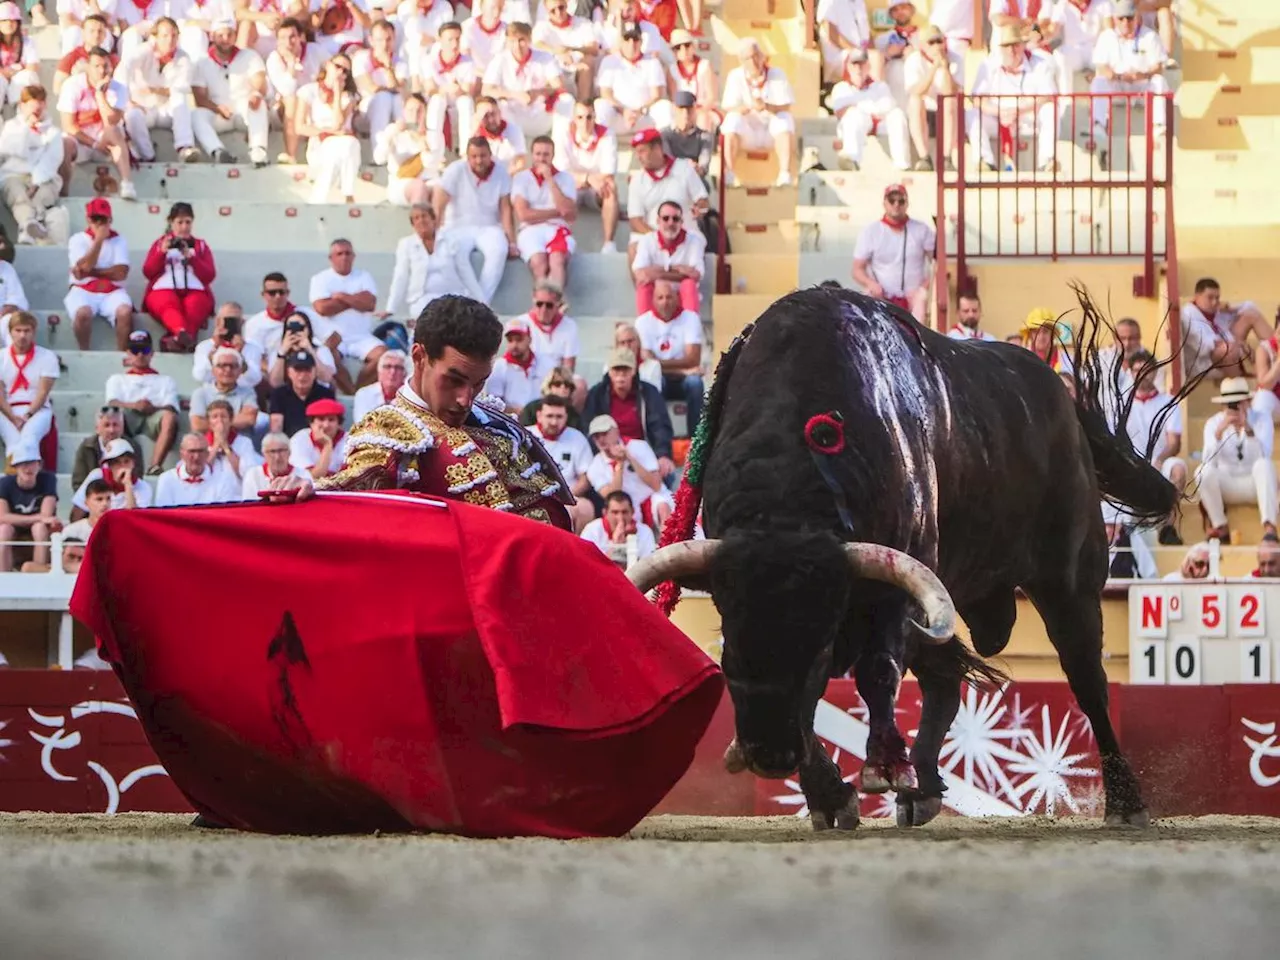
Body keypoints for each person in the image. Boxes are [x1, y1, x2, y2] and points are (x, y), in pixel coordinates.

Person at [295, 295, 575, 528]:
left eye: (478, 383)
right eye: (453, 380)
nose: (466, 399)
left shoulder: (495, 421)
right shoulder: (389, 431)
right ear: (418, 357)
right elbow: (350, 486)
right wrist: (310, 492)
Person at [433, 136, 518, 303]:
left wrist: (512, 242)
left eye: (483, 155)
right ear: (467, 156)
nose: (479, 160)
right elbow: (439, 205)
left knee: (499, 250)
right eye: (474, 156)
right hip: (456, 226)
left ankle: (480, 303)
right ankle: (469, 301)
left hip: (489, 227)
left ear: (490, 154)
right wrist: (432, 235)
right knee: (456, 254)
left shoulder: (501, 172)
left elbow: (506, 209)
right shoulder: (455, 170)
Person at [1197, 378, 1278, 543]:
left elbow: (1263, 455)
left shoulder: (1262, 419)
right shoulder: (1213, 423)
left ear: (1247, 402)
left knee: (1264, 465)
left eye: (1238, 403)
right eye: (1230, 404)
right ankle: (1220, 525)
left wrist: (1247, 428)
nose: (1234, 407)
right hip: (1227, 483)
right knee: (1201, 472)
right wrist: (1219, 433)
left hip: (1254, 483)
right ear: (1223, 405)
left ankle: (1270, 526)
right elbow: (1208, 462)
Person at [968, 24, 1058, 173]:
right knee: (972, 113)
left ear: (1023, 45)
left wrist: (1018, 111)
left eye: (1015, 45)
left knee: (1050, 110)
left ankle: (1048, 161)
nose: (1011, 50)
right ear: (1000, 48)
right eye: (1006, 46)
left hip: (1029, 118)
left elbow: (1048, 96)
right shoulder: (989, 64)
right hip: (998, 119)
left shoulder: (1041, 64)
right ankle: (984, 162)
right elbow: (977, 99)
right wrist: (1001, 112)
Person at [1123, 349, 1185, 545]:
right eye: (1136, 370)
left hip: (1159, 462)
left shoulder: (1168, 402)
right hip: (1130, 463)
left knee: (1178, 468)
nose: (1142, 374)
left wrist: (1159, 459)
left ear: (1155, 372)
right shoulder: (1121, 403)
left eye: (1147, 369)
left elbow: (1174, 443)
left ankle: (1167, 527)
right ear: (1130, 373)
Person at [57, 46, 136, 200]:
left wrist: (100, 94)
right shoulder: (72, 85)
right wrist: (93, 144)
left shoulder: (118, 88)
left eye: (105, 66)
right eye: (96, 66)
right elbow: (68, 125)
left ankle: (127, 184)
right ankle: (64, 192)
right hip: (81, 141)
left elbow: (111, 121)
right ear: (88, 67)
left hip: (106, 142)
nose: (101, 71)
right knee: (64, 143)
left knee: (114, 131)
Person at [581, 347, 674, 479]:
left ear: (634, 371)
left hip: (642, 454)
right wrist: (606, 451)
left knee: (667, 474)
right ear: (609, 372)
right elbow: (588, 427)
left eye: (625, 369)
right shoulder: (597, 394)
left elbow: (660, 426)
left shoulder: (649, 392)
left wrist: (663, 455)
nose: (620, 375)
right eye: (616, 370)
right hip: (606, 454)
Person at [1090, 0, 1169, 150]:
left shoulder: (1150, 36)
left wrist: (1143, 75)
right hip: (1117, 84)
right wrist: (1119, 76)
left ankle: (1158, 125)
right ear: (1114, 19)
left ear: (1137, 17)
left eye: (1129, 18)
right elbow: (1101, 67)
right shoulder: (1107, 36)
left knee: (1159, 81)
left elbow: (1159, 67)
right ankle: (1099, 124)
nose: (1126, 22)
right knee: (1098, 82)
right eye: (1121, 18)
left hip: (1141, 86)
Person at [310, 238, 386, 391]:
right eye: (339, 254)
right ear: (331, 258)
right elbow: (322, 308)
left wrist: (341, 297)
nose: (344, 257)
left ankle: (359, 390)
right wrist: (356, 300)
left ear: (353, 256)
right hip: (334, 337)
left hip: (362, 337)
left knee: (383, 356)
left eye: (347, 253)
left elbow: (370, 304)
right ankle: (350, 390)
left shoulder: (364, 276)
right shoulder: (320, 279)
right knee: (327, 355)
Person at [191, 19, 271, 167]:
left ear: (235, 36)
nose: (225, 39)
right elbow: (199, 97)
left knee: (259, 104)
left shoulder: (250, 56)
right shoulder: (202, 62)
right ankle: (218, 152)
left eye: (229, 35)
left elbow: (259, 81)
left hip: (243, 109)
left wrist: (255, 94)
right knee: (196, 115)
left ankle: (258, 151)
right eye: (220, 35)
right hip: (218, 113)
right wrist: (217, 108)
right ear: (212, 37)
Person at [120, 17, 199, 164]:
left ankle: (184, 147)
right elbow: (125, 67)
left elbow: (179, 88)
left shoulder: (183, 58)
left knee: (180, 99)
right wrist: (129, 101)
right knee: (132, 115)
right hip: (144, 108)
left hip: (167, 110)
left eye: (174, 35)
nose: (170, 40)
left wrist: (154, 89)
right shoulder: (143, 51)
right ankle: (148, 156)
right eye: (165, 36)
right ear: (155, 37)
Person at [851, 183, 934, 323]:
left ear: (907, 203)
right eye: (892, 200)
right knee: (866, 300)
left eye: (901, 201)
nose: (896, 205)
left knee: (921, 300)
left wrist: (924, 286)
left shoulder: (921, 230)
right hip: (882, 294)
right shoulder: (871, 232)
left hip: (913, 296)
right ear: (884, 203)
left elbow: (937, 264)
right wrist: (870, 283)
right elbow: (857, 269)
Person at [141, 202, 217, 352]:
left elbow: (209, 275)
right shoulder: (160, 243)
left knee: (195, 305)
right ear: (171, 222)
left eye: (188, 222)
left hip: (195, 289)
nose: (184, 227)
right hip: (164, 288)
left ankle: (177, 339)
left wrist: (191, 257)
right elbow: (148, 272)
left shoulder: (200, 245)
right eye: (180, 222)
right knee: (167, 304)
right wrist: (162, 252)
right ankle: (183, 334)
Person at [719, 37, 795, 188]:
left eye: (755, 56)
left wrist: (766, 106)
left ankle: (785, 173)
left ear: (761, 56)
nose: (753, 62)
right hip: (748, 132)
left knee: (784, 119)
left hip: (770, 133)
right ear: (741, 61)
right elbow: (728, 107)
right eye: (747, 58)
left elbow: (786, 106)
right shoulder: (735, 76)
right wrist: (746, 107)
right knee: (731, 120)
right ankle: (729, 173)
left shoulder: (777, 74)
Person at [386, 204, 484, 320]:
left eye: (424, 216)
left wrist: (482, 302)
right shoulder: (406, 244)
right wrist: (390, 309)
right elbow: (400, 276)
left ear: (433, 219)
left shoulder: (451, 241)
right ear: (413, 224)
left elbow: (465, 272)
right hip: (421, 299)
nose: (421, 220)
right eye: (416, 218)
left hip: (451, 297)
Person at [103, 330, 180, 476]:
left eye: (144, 350)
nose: (140, 355)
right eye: (135, 350)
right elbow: (112, 402)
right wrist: (135, 406)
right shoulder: (116, 379)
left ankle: (155, 465)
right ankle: (117, 464)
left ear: (151, 353)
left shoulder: (166, 380)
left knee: (169, 417)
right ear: (128, 353)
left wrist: (152, 408)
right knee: (113, 415)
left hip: (154, 417)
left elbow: (171, 405)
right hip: (129, 416)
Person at [625, 127, 707, 264]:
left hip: (684, 234)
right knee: (634, 248)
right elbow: (635, 221)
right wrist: (660, 238)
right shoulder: (637, 180)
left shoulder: (684, 168)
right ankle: (643, 286)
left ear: (657, 148)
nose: (638, 157)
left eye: (642, 151)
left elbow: (702, 201)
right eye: (637, 152)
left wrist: (701, 209)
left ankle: (689, 284)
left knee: (696, 243)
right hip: (651, 235)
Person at [0, 85, 69, 245]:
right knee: (18, 195)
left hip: (44, 179)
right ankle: (28, 224)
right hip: (14, 175)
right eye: (31, 103)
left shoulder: (53, 132)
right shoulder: (12, 127)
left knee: (41, 198)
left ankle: (29, 229)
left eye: (40, 102)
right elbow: (9, 150)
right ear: (23, 105)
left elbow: (52, 160)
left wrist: (36, 183)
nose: (36, 107)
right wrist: (27, 129)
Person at [481, 20, 570, 141]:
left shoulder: (544, 57)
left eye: (521, 40)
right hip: (512, 114)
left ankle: (560, 145)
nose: (517, 46)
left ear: (529, 40)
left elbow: (559, 86)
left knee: (566, 100)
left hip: (539, 113)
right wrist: (515, 95)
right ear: (507, 42)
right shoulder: (500, 60)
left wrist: (537, 93)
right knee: (492, 104)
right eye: (512, 41)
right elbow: (486, 90)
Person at [635, 279, 703, 435]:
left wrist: (659, 364)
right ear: (653, 300)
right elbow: (648, 363)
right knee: (653, 381)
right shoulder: (643, 322)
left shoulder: (690, 318)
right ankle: (659, 436)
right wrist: (683, 369)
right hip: (661, 378)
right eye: (660, 297)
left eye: (669, 297)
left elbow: (693, 359)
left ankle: (696, 439)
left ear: (677, 297)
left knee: (695, 383)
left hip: (684, 381)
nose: (665, 302)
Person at [66, 196, 134, 350]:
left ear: (110, 219)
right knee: (82, 314)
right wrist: (98, 241)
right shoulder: (78, 239)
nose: (99, 223)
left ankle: (122, 355)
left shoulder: (119, 240)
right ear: (88, 219)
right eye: (95, 219)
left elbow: (121, 273)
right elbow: (82, 271)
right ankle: (85, 353)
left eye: (103, 219)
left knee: (124, 312)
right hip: (83, 290)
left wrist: (91, 272)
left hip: (112, 291)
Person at [585, 413, 671, 532]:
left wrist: (629, 458)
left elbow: (656, 485)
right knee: (620, 516)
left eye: (604, 434)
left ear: (616, 432)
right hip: (626, 506)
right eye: (596, 436)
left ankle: (669, 544)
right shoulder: (595, 466)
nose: (601, 439)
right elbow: (612, 496)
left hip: (650, 497)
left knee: (662, 505)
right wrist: (619, 464)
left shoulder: (639, 446)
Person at [553, 99, 620, 254]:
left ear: (595, 117)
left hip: (595, 190)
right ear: (574, 119)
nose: (585, 122)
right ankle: (561, 240)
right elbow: (560, 172)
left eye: (589, 117)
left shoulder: (607, 134)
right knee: (556, 188)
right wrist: (588, 178)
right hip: (573, 187)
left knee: (611, 187)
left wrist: (584, 179)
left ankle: (609, 244)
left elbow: (608, 174)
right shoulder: (563, 134)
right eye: (580, 117)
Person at [511, 135, 576, 288]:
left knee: (557, 259)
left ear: (553, 156)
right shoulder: (521, 178)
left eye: (546, 154)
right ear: (532, 155)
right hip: (529, 230)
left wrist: (549, 179)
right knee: (538, 263)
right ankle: (542, 304)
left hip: (557, 228)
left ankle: (556, 304)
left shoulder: (566, 178)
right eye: (538, 154)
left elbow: (569, 212)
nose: (541, 158)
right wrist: (557, 212)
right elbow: (524, 215)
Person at [830, 48, 909, 173]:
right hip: (859, 124)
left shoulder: (879, 86)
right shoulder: (841, 88)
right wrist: (870, 109)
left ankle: (901, 164)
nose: (858, 68)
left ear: (868, 66)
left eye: (861, 64)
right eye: (854, 64)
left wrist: (860, 106)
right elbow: (841, 112)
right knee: (854, 116)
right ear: (848, 67)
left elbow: (889, 106)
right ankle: (852, 160)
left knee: (897, 115)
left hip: (878, 123)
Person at [297, 55, 362, 204]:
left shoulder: (349, 96)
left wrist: (338, 92)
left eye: (345, 71)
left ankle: (334, 195)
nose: (341, 73)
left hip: (344, 148)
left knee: (349, 143)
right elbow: (299, 127)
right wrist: (329, 132)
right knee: (340, 147)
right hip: (319, 144)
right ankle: (348, 195)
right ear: (328, 65)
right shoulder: (309, 91)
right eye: (337, 67)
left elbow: (339, 123)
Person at [1181, 277, 1272, 381]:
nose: (1215, 302)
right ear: (1197, 297)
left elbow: (1250, 306)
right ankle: (1238, 384)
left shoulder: (1217, 311)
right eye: (1210, 297)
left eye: (1217, 298)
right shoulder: (1188, 315)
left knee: (1252, 315)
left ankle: (1276, 352)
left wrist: (1229, 308)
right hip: (1204, 362)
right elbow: (1203, 347)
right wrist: (1237, 344)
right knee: (1227, 349)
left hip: (1227, 346)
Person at [0, 310, 57, 464]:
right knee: (13, 441)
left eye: (27, 331)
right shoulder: (1, 357)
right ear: (10, 332)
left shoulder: (47, 356)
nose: (22, 336)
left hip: (37, 410)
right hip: (6, 410)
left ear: (33, 332)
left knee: (29, 439)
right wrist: (12, 417)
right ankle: (13, 482)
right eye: (18, 330)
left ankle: (31, 481)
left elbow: (43, 391)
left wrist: (28, 415)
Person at [265, 17, 324, 165]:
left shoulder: (314, 50)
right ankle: (290, 154)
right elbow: (287, 90)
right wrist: (291, 64)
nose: (288, 42)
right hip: (283, 109)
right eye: (283, 38)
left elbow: (332, 66)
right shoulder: (274, 59)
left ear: (300, 37)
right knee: (292, 99)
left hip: (311, 106)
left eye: (292, 37)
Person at [529, 392, 592, 529]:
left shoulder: (577, 437)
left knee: (586, 508)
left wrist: (566, 496)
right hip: (532, 496)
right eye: (549, 416)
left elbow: (585, 478)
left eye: (559, 417)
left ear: (566, 417)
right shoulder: (526, 435)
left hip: (569, 496)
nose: (554, 422)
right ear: (539, 415)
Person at [594, 22, 669, 136]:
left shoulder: (652, 62)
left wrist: (639, 111)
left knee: (665, 108)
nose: (631, 44)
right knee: (601, 106)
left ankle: (664, 151)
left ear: (641, 41)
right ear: (621, 42)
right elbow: (605, 93)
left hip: (643, 116)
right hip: (619, 115)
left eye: (635, 39)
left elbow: (656, 95)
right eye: (627, 39)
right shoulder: (610, 61)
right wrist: (623, 111)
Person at [903, 25, 961, 172]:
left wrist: (945, 68)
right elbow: (918, 91)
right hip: (925, 111)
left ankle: (947, 158)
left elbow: (951, 91)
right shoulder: (914, 60)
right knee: (915, 101)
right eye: (931, 42)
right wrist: (934, 68)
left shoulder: (955, 58)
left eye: (939, 41)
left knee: (949, 101)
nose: (936, 46)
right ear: (923, 45)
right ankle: (924, 157)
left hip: (947, 113)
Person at [631, 200, 703, 315]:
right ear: (658, 221)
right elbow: (640, 274)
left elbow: (696, 275)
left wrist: (658, 273)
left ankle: (691, 328)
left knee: (689, 284)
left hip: (681, 296)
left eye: (675, 219)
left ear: (681, 222)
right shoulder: (647, 240)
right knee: (644, 286)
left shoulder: (694, 241)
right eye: (666, 218)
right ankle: (644, 329)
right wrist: (678, 270)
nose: (670, 223)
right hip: (657, 297)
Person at [420, 20, 478, 155]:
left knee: (466, 102)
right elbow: (430, 89)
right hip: (436, 105)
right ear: (440, 40)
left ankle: (466, 151)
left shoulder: (468, 62)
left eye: (457, 39)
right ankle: (434, 151)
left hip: (456, 106)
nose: (454, 44)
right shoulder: (429, 61)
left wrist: (457, 90)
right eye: (450, 39)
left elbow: (468, 89)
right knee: (437, 100)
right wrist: (446, 89)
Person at [377, 94, 445, 207]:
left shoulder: (433, 135)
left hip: (428, 181)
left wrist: (419, 138)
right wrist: (392, 135)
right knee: (418, 188)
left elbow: (431, 162)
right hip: (401, 183)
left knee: (442, 190)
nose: (414, 115)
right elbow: (379, 158)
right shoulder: (393, 131)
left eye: (419, 111)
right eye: (410, 110)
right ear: (403, 111)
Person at [0, 441, 58, 572]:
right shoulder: (5, 483)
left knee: (39, 528)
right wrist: (37, 517)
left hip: (34, 526)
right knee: (3, 530)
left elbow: (47, 515)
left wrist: (38, 519)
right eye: (23, 464)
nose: (28, 468)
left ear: (39, 465)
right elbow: (2, 517)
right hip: (13, 527)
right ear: (15, 466)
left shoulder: (48, 479)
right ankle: (3, 577)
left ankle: (37, 572)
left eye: (32, 463)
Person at [533, 0, 598, 103]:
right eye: (553, 10)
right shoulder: (542, 26)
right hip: (556, 69)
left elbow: (594, 48)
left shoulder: (582, 23)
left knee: (588, 62)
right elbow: (537, 44)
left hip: (578, 67)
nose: (558, 13)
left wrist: (570, 49)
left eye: (561, 8)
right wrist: (559, 52)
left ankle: (583, 104)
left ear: (566, 5)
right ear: (546, 10)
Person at [71, 437, 154, 517]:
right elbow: (78, 509)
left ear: (133, 463)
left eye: (127, 461)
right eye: (116, 462)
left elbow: (136, 520)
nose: (122, 466)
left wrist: (128, 485)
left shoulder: (143, 487)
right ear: (109, 465)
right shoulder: (97, 475)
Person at [153, 432, 241, 506]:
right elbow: (164, 515)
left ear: (207, 453)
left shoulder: (223, 480)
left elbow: (223, 516)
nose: (196, 457)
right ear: (182, 453)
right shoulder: (167, 479)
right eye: (192, 451)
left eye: (200, 451)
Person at [486, 315, 551, 413]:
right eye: (510, 340)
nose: (514, 345)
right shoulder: (499, 367)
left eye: (519, 339)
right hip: (510, 419)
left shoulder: (545, 363)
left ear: (529, 339)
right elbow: (493, 405)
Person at [193, 302, 263, 390]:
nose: (230, 324)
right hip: (212, 394)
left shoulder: (252, 348)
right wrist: (215, 349)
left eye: (235, 321)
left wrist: (239, 355)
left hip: (242, 394)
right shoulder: (205, 347)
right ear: (217, 321)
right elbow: (200, 376)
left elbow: (254, 379)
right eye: (227, 320)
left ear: (242, 322)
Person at [71, 405, 142, 490]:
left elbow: (137, 480)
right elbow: (78, 483)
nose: (111, 430)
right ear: (97, 429)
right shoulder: (86, 447)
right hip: (94, 498)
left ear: (122, 428)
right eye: (107, 425)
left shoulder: (133, 447)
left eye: (115, 425)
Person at [190, 346, 259, 433]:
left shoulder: (248, 392)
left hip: (240, 442)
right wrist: (230, 422)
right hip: (208, 443)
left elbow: (249, 419)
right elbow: (197, 424)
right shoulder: (201, 393)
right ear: (213, 370)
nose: (228, 370)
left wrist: (212, 422)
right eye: (222, 366)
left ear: (240, 370)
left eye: (233, 366)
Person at [665, 31, 719, 137]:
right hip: (681, 111)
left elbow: (711, 97)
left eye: (687, 45)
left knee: (703, 119)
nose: (683, 50)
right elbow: (674, 99)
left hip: (704, 109)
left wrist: (696, 111)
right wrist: (685, 113)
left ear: (693, 47)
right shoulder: (672, 70)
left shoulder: (705, 66)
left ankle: (702, 149)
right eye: (678, 47)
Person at [580, 489, 655, 565]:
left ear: (632, 511)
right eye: (615, 512)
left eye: (624, 512)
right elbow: (586, 563)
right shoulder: (592, 529)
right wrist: (616, 547)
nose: (620, 518)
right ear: (605, 512)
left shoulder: (645, 531)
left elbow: (648, 565)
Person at [289, 397, 348, 478]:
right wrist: (327, 445)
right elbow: (314, 478)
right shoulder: (300, 439)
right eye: (321, 419)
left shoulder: (350, 440)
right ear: (311, 423)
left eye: (331, 420)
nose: (326, 425)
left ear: (339, 424)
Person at [816, 0, 872, 85]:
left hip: (861, 54)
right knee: (875, 59)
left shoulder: (860, 2)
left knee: (885, 57)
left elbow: (867, 35)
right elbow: (831, 33)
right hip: (840, 57)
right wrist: (856, 51)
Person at [204, 398, 261, 481]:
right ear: (209, 423)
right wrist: (216, 445)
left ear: (230, 421)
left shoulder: (244, 442)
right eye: (214, 417)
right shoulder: (201, 443)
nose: (219, 420)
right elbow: (202, 471)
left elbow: (246, 474)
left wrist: (225, 445)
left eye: (223, 416)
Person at [241, 431, 311, 499]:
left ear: (289, 452)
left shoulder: (303, 474)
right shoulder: (253, 475)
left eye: (281, 451)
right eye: (272, 452)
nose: (277, 457)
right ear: (264, 454)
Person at [353, 349, 408, 421]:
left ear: (404, 374)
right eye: (388, 366)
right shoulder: (364, 394)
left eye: (398, 367)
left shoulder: (410, 395)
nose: (393, 372)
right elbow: (361, 424)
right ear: (379, 372)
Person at [1021, 307, 1074, 373]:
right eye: (1036, 332)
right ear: (1029, 335)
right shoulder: (1021, 360)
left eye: (1045, 331)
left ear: (1053, 334)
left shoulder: (1069, 362)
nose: (1041, 337)